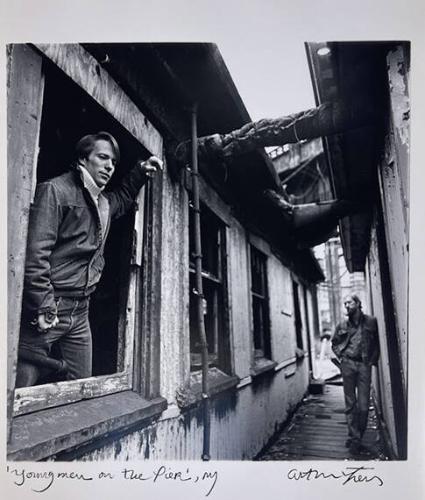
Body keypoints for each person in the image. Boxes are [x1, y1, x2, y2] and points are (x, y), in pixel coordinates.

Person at [16, 131, 163, 388]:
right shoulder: (55, 191)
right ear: (84, 159)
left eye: (113, 162)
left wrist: (141, 171)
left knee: (81, 388)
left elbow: (124, 196)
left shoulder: (103, 202)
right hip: (50, 307)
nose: (109, 166)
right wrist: (43, 305)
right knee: (20, 390)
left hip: (80, 311)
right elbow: (35, 256)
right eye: (103, 157)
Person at [331, 294, 380, 454]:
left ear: (358, 304)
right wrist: (342, 357)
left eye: (349, 302)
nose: (346, 305)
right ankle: (355, 438)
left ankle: (357, 436)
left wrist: (372, 361)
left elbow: (376, 344)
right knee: (350, 403)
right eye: (345, 303)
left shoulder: (371, 321)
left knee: (364, 405)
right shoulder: (342, 325)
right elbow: (334, 343)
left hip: (364, 365)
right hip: (348, 365)